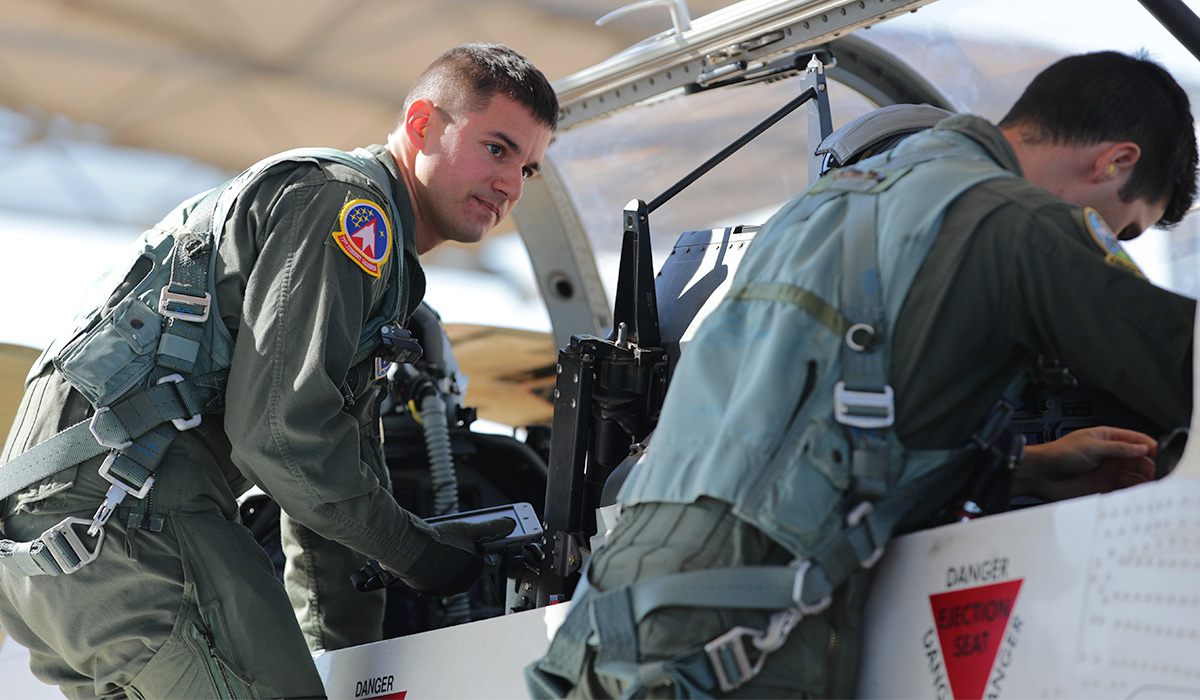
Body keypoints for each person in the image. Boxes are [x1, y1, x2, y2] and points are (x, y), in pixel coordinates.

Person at [527, 50, 1196, 699]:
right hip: (731, 635)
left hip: (614, 615)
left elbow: (815, 429)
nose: (1113, 239)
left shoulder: (819, 206)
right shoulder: (1016, 220)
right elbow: (1180, 363)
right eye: (1127, 228)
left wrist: (1021, 469)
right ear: (1115, 162)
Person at [0, 42, 556, 699]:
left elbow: (320, 493)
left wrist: (352, 668)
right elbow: (284, 442)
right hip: (127, 519)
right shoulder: (348, 208)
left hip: (61, 538)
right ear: (421, 126)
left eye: (530, 168)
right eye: (497, 148)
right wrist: (425, 557)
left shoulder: (371, 253)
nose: (511, 185)